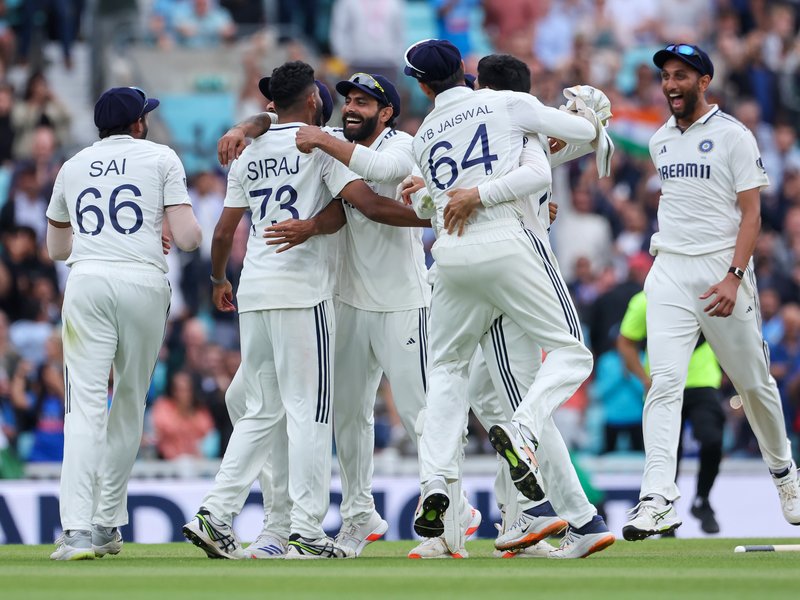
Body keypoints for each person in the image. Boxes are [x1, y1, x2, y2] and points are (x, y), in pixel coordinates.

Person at [182, 61, 427, 561]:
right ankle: (306, 531)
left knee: (259, 410)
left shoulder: (248, 150)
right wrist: (315, 225)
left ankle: (215, 512)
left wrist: (218, 280)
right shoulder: (319, 143)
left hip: (253, 291)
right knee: (311, 415)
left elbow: (225, 232)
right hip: (304, 293)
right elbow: (363, 204)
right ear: (315, 99)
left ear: (273, 102)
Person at [403, 39, 615, 559]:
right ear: (466, 76)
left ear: (425, 85)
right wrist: (589, 113)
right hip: (516, 257)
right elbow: (578, 139)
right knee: (542, 382)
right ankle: (531, 513)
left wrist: (430, 192)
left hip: (453, 258)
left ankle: (443, 485)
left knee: (454, 375)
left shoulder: (426, 133)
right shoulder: (512, 112)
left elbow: (433, 198)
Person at [623, 44, 800, 541]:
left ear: (704, 81)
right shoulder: (660, 139)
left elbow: (752, 214)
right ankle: (657, 497)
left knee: (753, 383)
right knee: (663, 383)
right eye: (665, 77)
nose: (670, 85)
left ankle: (785, 473)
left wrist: (734, 275)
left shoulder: (733, 136)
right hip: (669, 271)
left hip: (723, 271)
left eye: (681, 76)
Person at [46, 86, 202, 560]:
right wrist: (158, 229)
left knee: (84, 408)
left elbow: (56, 250)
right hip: (143, 284)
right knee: (129, 403)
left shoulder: (71, 166)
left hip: (88, 283)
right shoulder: (161, 158)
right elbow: (192, 239)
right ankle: (105, 525)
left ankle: (74, 531)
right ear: (137, 123)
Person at [617, 290, 724, 534]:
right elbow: (625, 342)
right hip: (663, 384)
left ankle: (702, 500)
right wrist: (644, 379)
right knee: (666, 452)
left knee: (712, 440)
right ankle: (665, 511)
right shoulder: (645, 300)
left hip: (702, 382)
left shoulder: (705, 294)